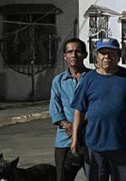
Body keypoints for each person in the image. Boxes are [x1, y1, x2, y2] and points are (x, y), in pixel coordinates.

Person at [70, 38, 126, 181]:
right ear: (97, 56)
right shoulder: (88, 79)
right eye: (103, 53)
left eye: (111, 53)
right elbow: (79, 111)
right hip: (94, 145)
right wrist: (74, 139)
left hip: (123, 144)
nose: (107, 57)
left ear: (119, 56)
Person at [49, 38, 89, 181]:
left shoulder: (93, 78)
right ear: (65, 56)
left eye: (78, 51)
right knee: (63, 177)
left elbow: (97, 107)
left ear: (85, 55)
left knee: (96, 176)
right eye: (70, 52)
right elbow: (55, 108)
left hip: (89, 137)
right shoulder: (59, 81)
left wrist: (78, 126)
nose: (74, 55)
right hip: (64, 138)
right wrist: (66, 125)